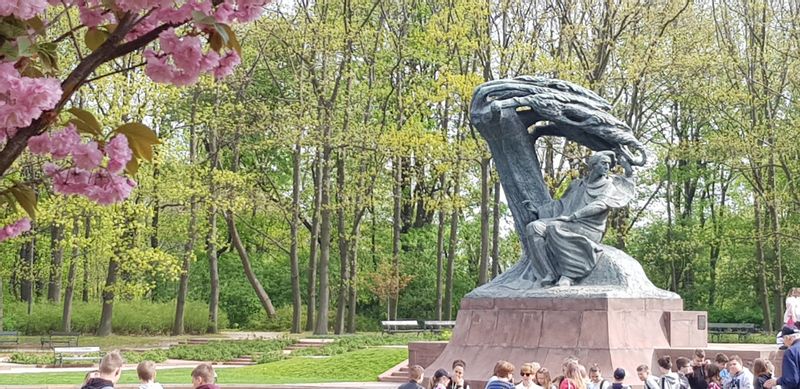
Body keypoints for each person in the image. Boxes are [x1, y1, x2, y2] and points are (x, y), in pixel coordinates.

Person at [523, 150, 635, 286]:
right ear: (593, 165)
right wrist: (538, 211)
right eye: (603, 163)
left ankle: (569, 275)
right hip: (568, 221)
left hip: (589, 227)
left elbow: (600, 205)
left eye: (608, 164)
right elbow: (560, 204)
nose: (607, 167)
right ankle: (549, 273)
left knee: (554, 227)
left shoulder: (608, 186)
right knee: (533, 227)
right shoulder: (576, 185)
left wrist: (573, 216)